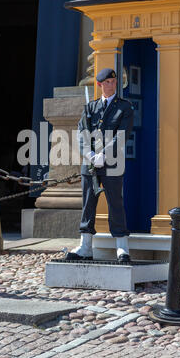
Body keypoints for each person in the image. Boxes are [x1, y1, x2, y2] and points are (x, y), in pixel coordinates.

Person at [66, 68, 134, 262]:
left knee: (115, 203)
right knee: (88, 203)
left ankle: (122, 248)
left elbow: (122, 135)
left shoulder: (125, 107)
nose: (111, 85)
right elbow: (81, 134)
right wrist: (89, 154)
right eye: (107, 82)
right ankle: (85, 246)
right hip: (90, 164)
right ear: (100, 85)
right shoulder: (90, 108)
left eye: (113, 82)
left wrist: (103, 155)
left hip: (112, 163)